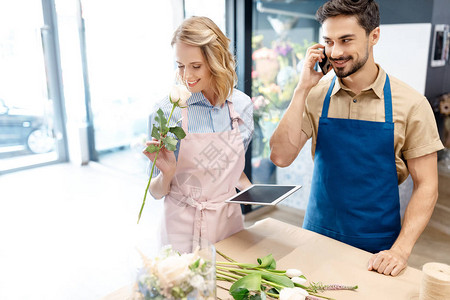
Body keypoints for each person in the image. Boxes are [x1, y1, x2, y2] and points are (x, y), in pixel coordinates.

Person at [270, 0, 444, 276]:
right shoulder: (315, 95)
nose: (335, 52)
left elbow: (427, 186)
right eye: (328, 41)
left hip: (376, 248)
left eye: (346, 40)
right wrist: (302, 88)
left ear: (374, 35)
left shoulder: (411, 104)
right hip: (316, 234)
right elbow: (280, 157)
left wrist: (400, 250)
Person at [143, 16, 254, 253]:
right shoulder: (166, 111)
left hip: (228, 224)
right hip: (181, 229)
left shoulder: (242, 107)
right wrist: (168, 174)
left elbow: (231, 170)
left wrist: (251, 190)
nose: (186, 76)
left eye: (196, 66)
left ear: (217, 62)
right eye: (180, 65)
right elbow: (154, 191)